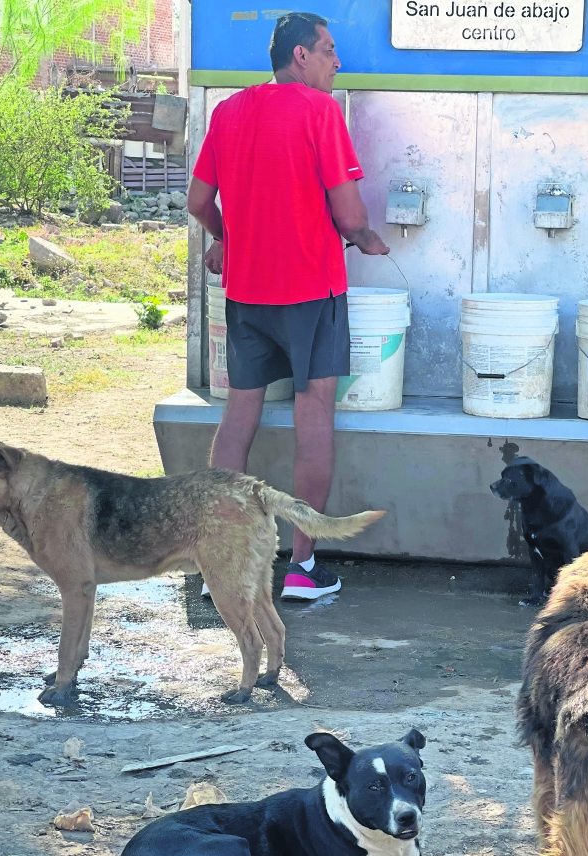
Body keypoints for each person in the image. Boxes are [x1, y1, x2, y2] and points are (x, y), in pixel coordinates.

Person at [187, 12, 389, 601]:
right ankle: (301, 570)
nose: (337, 62)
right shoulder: (321, 112)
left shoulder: (228, 111)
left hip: (246, 293)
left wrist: (227, 237)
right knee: (314, 414)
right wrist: (366, 237)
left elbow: (200, 200)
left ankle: (219, 565)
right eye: (329, 50)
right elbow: (349, 215)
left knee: (238, 416)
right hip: (311, 291)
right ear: (301, 56)